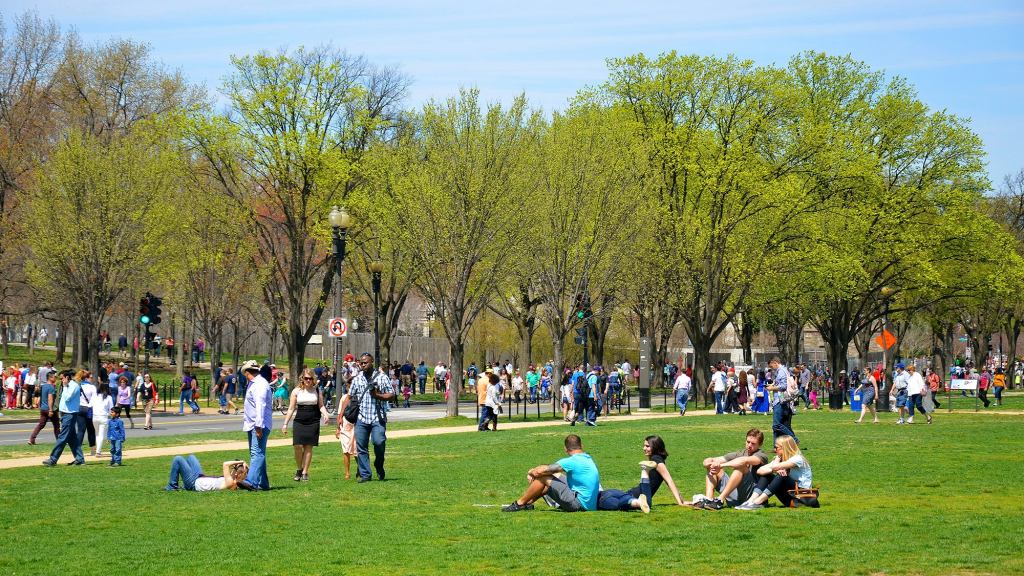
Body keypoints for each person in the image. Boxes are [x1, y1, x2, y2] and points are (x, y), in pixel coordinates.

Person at [502, 434, 600, 513]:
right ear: (582, 446)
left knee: (543, 478)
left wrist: (531, 471)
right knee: (553, 477)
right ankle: (528, 503)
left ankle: (519, 504)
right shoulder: (587, 458)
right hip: (589, 504)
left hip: (579, 505)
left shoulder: (571, 461)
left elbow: (540, 472)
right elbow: (552, 470)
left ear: (565, 448)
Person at [686, 428, 771, 510]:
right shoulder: (740, 453)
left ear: (760, 444)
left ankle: (720, 500)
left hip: (752, 496)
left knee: (741, 467)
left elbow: (743, 461)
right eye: (748, 442)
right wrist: (710, 464)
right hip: (737, 495)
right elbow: (709, 460)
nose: (749, 445)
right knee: (713, 469)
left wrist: (721, 465)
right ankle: (709, 500)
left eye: (753, 443)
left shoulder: (762, 455)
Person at [598, 435, 684, 512]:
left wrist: (680, 502)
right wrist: (681, 501)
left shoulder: (656, 461)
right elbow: (669, 481)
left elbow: (669, 481)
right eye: (644, 446)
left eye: (647, 446)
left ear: (656, 447)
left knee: (609, 502)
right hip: (637, 494)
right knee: (610, 501)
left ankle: (600, 493)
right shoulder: (657, 459)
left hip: (637, 495)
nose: (644, 448)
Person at [347, 353, 396, 483]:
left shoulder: (382, 377)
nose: (363, 365)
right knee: (361, 447)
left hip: (377, 418)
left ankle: (379, 465)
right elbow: (350, 396)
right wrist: (341, 415)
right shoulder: (357, 379)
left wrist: (377, 395)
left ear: (372, 362)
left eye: (366, 363)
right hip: (361, 418)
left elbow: (391, 394)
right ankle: (365, 475)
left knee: (379, 442)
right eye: (361, 363)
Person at [735, 435, 812, 509]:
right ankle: (750, 501)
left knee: (782, 477)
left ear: (784, 448)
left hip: (802, 498)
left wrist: (776, 464)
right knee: (767, 475)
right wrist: (776, 467)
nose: (775, 450)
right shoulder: (781, 459)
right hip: (790, 498)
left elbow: (775, 467)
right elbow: (760, 471)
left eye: (776, 447)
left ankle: (757, 502)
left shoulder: (798, 458)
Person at [281, 368, 331, 482]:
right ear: (302, 379)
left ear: (313, 379)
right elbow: (291, 408)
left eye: (310, 378)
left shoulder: (317, 390)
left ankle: (305, 472)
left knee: (308, 447)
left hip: (313, 420)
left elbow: (321, 406)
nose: (308, 380)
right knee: (297, 446)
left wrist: (326, 414)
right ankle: (299, 468)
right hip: (299, 420)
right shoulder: (296, 391)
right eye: (306, 378)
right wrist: (285, 424)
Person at [240, 359, 272, 490]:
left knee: (256, 453)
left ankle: (251, 481)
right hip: (253, 424)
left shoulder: (259, 384)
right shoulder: (255, 384)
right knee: (258, 453)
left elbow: (260, 406)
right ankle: (263, 483)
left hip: (258, 424)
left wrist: (258, 426)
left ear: (247, 373)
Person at [43, 370, 85, 466]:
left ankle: (53, 459)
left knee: (62, 437)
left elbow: (67, 398)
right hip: (65, 414)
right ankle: (80, 459)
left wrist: (65, 386)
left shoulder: (73, 386)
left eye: (62, 378)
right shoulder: (68, 386)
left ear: (67, 377)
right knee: (72, 438)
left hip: (69, 414)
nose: (61, 380)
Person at [165, 455, 251, 491]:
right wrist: (244, 466)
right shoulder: (233, 479)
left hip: (193, 483)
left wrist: (241, 461)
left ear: (239, 474)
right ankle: (184, 485)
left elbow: (225, 464)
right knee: (191, 457)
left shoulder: (230, 483)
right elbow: (244, 473)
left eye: (236, 469)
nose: (233, 470)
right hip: (199, 477)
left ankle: (172, 487)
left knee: (178, 459)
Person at [767, 357, 798, 445]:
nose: (772, 368)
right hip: (781, 400)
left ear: (775, 363)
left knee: (776, 425)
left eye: (772, 366)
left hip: (780, 400)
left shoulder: (781, 371)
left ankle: (794, 439)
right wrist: (774, 384)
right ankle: (776, 445)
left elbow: (783, 386)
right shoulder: (784, 370)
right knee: (781, 425)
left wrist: (771, 388)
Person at [28, 370, 61, 444]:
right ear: (50, 378)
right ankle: (59, 441)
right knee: (56, 425)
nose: (55, 378)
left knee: (41, 425)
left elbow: (41, 397)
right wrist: (51, 410)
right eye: (54, 377)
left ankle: (31, 439)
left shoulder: (43, 386)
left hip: (43, 409)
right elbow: (50, 399)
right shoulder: (51, 387)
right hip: (49, 409)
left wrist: (40, 406)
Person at [334, 385, 358, 480]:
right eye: (350, 385)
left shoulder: (360, 396)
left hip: (356, 424)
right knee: (346, 449)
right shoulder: (344, 398)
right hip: (346, 424)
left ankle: (360, 469)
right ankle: (347, 473)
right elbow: (340, 413)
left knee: (357, 449)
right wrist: (338, 428)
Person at [90, 383, 115, 457]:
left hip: (95, 417)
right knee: (100, 435)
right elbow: (111, 409)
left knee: (97, 434)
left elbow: (90, 405)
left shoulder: (95, 396)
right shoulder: (109, 397)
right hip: (103, 417)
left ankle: (97, 450)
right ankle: (98, 452)